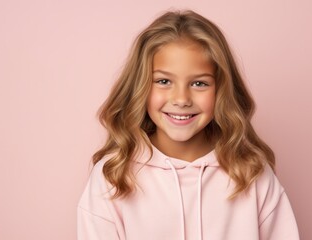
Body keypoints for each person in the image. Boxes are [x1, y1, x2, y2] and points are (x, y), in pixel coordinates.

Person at [77, 10, 300, 240]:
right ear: (140, 87)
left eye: (199, 83)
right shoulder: (113, 177)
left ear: (221, 90)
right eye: (163, 81)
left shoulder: (252, 173)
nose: (182, 99)